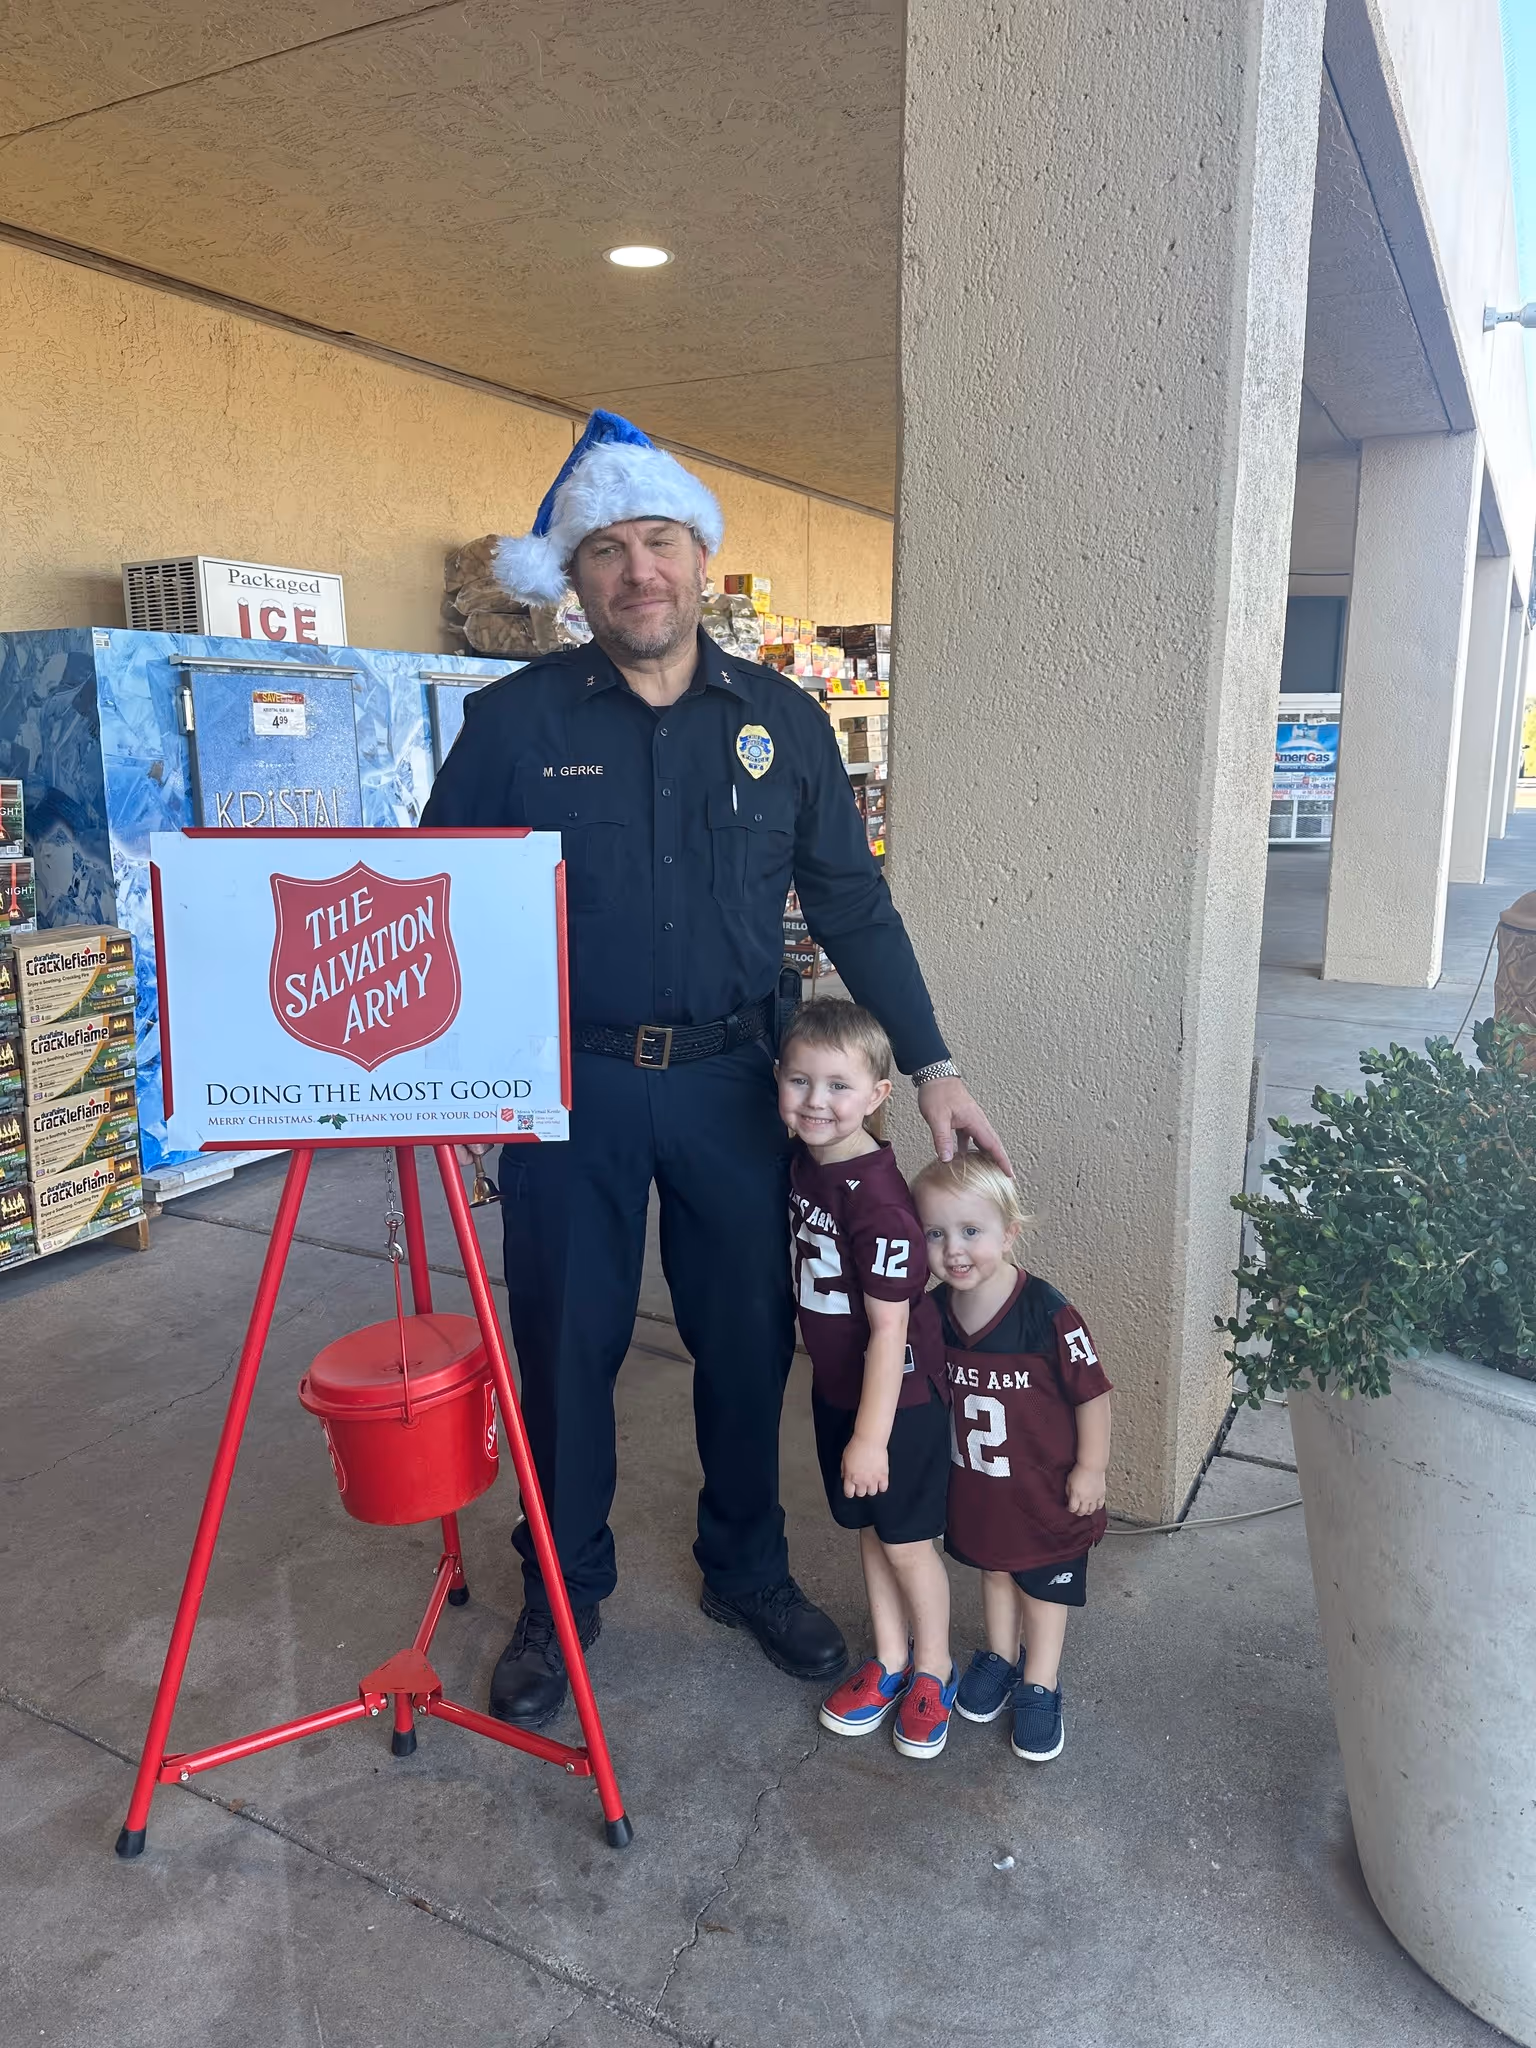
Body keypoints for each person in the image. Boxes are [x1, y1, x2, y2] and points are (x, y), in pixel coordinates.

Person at [421, 409, 1008, 1729]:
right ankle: (561, 1593)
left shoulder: (783, 722)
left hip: (741, 1090)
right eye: (610, 550)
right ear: (575, 580)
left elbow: (853, 906)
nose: (639, 572)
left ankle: (747, 1565)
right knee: (565, 1349)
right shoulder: (512, 724)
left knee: (748, 1340)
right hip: (564, 1085)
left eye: (661, 542)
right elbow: (441, 901)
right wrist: (447, 1086)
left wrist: (932, 1067)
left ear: (701, 560)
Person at [777, 998, 957, 1758]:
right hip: (839, 1393)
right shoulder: (807, 1167)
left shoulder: (878, 1203)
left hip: (896, 1404)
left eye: (838, 1086)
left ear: (880, 1096)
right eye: (799, 1081)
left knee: (909, 1543)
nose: (817, 1101)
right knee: (871, 1534)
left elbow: (889, 1332)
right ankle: (887, 1656)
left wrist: (871, 1439)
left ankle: (935, 1669)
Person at [911, 1155, 1111, 1764]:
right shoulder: (936, 1310)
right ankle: (999, 1656)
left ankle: (1040, 1681)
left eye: (972, 1231)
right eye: (936, 1233)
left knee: (1042, 1583)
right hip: (981, 1484)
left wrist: (1091, 1467)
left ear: (1009, 1231)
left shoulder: (1044, 1310)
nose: (954, 1249)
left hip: (1044, 1487)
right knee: (994, 1570)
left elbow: (1094, 1392)